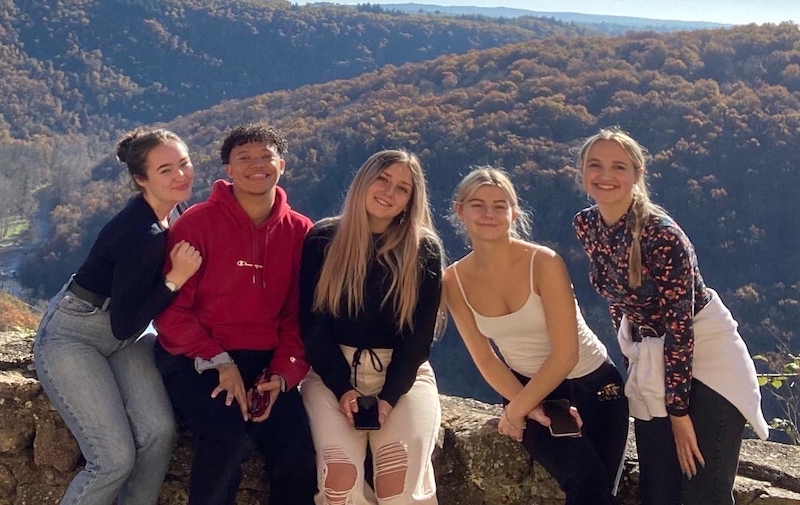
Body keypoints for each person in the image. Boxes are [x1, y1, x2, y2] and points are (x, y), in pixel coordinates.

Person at [573, 127, 770, 505]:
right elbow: (617, 297)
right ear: (582, 172)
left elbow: (680, 328)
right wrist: (633, 352)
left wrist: (678, 414)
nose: (605, 175)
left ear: (637, 174)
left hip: (708, 357)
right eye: (595, 165)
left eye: (618, 166)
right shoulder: (587, 225)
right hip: (654, 357)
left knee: (702, 490)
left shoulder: (663, 236)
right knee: (658, 491)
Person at [34, 129, 202, 504]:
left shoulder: (177, 210)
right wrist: (174, 280)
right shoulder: (139, 233)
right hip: (76, 334)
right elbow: (123, 325)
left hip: (127, 328)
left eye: (184, 163)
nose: (181, 175)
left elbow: (128, 323)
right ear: (140, 179)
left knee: (158, 433)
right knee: (113, 459)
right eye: (166, 170)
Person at [442, 166, 629, 505]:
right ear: (460, 210)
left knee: (595, 487)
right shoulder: (453, 281)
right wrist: (528, 406)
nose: (489, 213)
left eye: (500, 205)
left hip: (594, 385)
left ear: (514, 212)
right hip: (524, 387)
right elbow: (485, 358)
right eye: (478, 204)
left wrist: (516, 412)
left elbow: (565, 355)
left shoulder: (543, 262)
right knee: (583, 479)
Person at [153, 122, 317, 505]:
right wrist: (218, 361)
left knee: (298, 451)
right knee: (226, 441)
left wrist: (283, 373)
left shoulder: (300, 232)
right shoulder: (196, 224)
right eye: (244, 158)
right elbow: (171, 310)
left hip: (266, 361)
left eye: (266, 157)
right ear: (228, 168)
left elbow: (300, 314)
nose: (256, 165)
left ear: (283, 165)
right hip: (197, 356)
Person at [299, 149, 444, 504]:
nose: (389, 192)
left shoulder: (422, 249)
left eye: (402, 188)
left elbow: (418, 337)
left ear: (411, 200)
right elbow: (312, 323)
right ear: (364, 180)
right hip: (331, 373)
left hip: (402, 376)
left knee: (401, 487)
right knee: (339, 485)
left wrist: (390, 396)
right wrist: (342, 388)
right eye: (383, 179)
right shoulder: (324, 239)